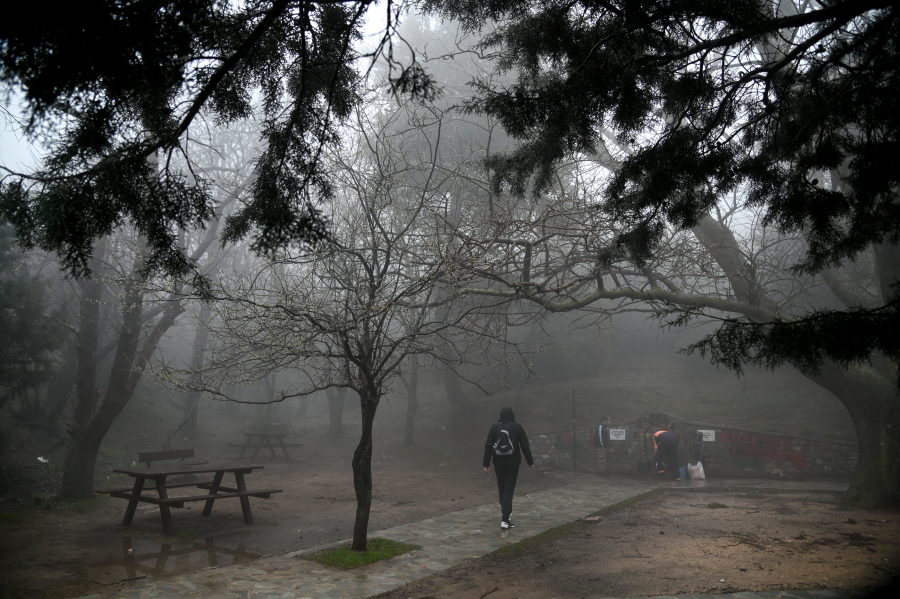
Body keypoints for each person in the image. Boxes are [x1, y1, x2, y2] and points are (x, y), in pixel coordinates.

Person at [483, 407, 534, 530]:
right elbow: (524, 445)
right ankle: (505, 519)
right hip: (513, 463)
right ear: (512, 415)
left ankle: (505, 511)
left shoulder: (494, 428)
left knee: (502, 487)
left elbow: (489, 445)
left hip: (498, 463)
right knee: (508, 489)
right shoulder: (517, 427)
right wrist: (530, 461)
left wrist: (486, 463)